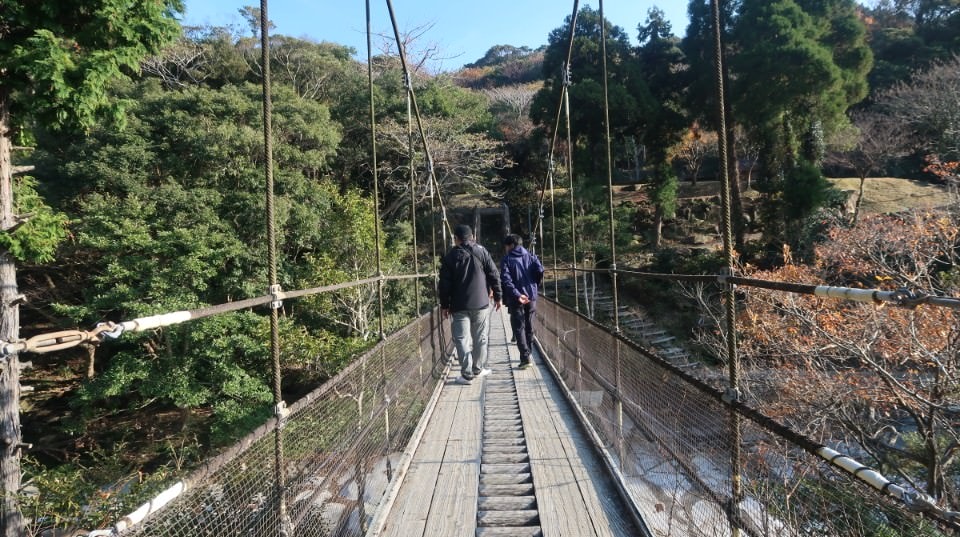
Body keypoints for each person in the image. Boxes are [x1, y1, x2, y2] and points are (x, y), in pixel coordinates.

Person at [438, 224, 503, 385]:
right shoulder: (482, 251)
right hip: (481, 303)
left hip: (458, 305)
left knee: (461, 339)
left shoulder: (450, 257)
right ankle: (478, 369)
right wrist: (498, 297)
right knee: (480, 337)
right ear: (472, 236)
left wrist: (444, 305)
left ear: (456, 239)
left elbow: (444, 285)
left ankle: (466, 375)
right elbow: (494, 274)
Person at [500, 234, 544, 369]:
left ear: (511, 245)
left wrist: (518, 294)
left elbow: (506, 281)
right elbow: (540, 270)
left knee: (519, 327)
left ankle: (525, 358)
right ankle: (529, 352)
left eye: (507, 246)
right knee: (529, 325)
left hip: (516, 299)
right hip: (531, 297)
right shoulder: (531, 256)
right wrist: (533, 286)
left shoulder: (507, 259)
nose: (506, 249)